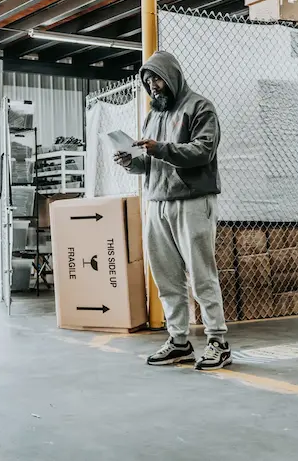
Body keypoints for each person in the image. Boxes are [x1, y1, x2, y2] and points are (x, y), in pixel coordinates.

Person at [114, 50, 231, 370]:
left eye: (157, 79)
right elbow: (150, 162)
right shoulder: (153, 115)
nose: (153, 86)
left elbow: (203, 151)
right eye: (148, 81)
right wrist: (131, 162)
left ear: (173, 77)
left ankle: (218, 342)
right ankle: (179, 341)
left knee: (201, 274)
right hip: (158, 203)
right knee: (166, 276)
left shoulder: (200, 107)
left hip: (192, 202)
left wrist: (161, 149)